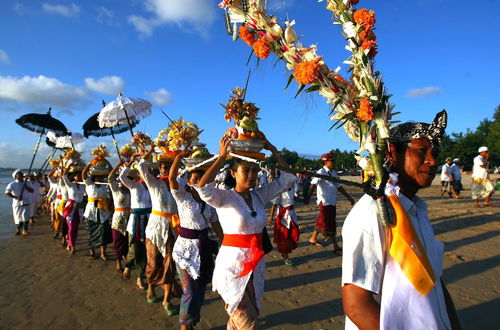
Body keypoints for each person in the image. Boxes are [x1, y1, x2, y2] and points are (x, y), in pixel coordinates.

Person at [341, 111, 461, 330]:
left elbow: (434, 282)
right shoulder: (373, 212)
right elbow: (356, 305)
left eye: (435, 152)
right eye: (421, 151)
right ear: (393, 154)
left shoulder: (417, 210)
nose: (432, 160)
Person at [196, 135, 296, 329]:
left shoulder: (259, 195)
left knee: (244, 316)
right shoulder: (224, 197)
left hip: (256, 265)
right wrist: (221, 158)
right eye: (245, 170)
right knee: (246, 321)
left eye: (254, 170)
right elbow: (203, 189)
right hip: (233, 268)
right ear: (233, 173)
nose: (251, 175)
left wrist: (273, 149)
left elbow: (288, 178)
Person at [169, 150, 224, 329]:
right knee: (190, 290)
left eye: (202, 177)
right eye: (194, 177)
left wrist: (226, 244)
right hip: (184, 249)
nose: (198, 180)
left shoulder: (209, 201)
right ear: (188, 180)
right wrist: (178, 158)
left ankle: (192, 320)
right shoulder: (182, 197)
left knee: (200, 287)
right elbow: (171, 180)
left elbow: (216, 225)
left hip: (204, 247)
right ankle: (184, 324)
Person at [135, 146, 180, 315]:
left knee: (170, 263)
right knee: (153, 262)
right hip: (155, 227)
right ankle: (151, 288)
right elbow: (140, 165)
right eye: (162, 166)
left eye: (168, 166)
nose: (164, 169)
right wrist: (151, 149)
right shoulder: (154, 183)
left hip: (173, 227)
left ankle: (167, 300)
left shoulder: (179, 183)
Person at [306, 151, 355, 254]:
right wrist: (308, 197)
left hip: (332, 201)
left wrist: (349, 198)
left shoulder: (333, 172)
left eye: (333, 160)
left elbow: (339, 187)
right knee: (329, 224)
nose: (333, 162)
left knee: (323, 221)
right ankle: (336, 246)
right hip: (324, 201)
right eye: (331, 160)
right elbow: (313, 184)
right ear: (325, 162)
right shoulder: (321, 172)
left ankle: (313, 238)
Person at [119, 158, 152, 290]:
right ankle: (127, 266)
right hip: (135, 221)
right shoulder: (133, 185)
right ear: (138, 174)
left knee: (145, 250)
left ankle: (140, 277)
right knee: (134, 247)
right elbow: (121, 176)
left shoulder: (152, 186)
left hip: (148, 220)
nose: (144, 174)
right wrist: (129, 163)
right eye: (142, 172)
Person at [82, 158, 113, 260]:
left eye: (102, 176)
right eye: (98, 177)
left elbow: (112, 174)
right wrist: (90, 163)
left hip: (103, 211)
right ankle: (92, 252)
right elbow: (84, 174)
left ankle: (103, 253)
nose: (100, 178)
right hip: (91, 211)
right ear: (94, 177)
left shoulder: (105, 185)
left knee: (103, 231)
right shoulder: (89, 184)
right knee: (91, 231)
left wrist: (107, 161)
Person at [268, 176, 299, 266]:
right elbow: (274, 204)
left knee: (294, 234)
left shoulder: (293, 187)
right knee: (283, 237)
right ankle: (285, 257)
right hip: (282, 216)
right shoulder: (280, 189)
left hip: (292, 214)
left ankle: (286, 253)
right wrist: (271, 218)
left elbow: (293, 198)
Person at [108, 161, 131, 272]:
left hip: (129, 218)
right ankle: (118, 262)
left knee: (126, 241)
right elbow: (110, 177)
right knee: (117, 240)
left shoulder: (131, 190)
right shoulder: (115, 189)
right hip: (117, 219)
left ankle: (126, 258)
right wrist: (119, 163)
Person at [61, 164, 85, 255]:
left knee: (75, 228)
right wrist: (70, 165)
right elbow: (64, 175)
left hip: (79, 209)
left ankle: (70, 243)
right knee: (71, 228)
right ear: (73, 177)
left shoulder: (83, 186)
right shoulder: (70, 185)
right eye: (77, 175)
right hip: (70, 209)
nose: (78, 177)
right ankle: (72, 245)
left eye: (80, 175)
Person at [5, 169, 33, 236]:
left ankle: (25, 230)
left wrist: (25, 186)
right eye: (19, 174)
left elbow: (32, 190)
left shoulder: (27, 182)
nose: (21, 175)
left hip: (26, 202)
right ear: (16, 176)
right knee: (17, 217)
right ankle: (18, 230)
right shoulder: (12, 184)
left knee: (26, 217)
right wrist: (15, 197)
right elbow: (7, 192)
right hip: (17, 204)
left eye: (21, 174)